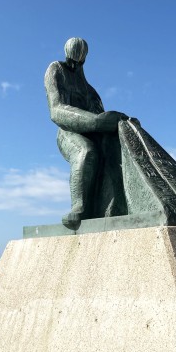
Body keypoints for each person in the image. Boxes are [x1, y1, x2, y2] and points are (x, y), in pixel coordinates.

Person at [44, 38, 129, 229]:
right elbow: (56, 110)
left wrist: (122, 123)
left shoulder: (90, 91)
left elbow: (101, 117)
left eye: (79, 61)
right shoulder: (55, 70)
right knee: (86, 151)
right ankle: (79, 208)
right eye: (72, 60)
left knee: (113, 153)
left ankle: (116, 205)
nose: (74, 64)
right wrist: (97, 122)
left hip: (91, 132)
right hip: (67, 132)